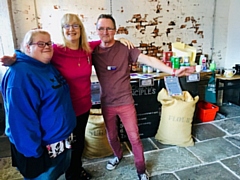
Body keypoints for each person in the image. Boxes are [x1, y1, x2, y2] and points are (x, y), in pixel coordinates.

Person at [0, 13, 133, 180]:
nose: (71, 29)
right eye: (67, 26)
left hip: (83, 108)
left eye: (75, 25)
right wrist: (16, 57)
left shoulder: (87, 48)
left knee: (76, 147)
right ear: (62, 30)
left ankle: (75, 173)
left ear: (81, 29)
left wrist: (121, 41)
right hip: (65, 109)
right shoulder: (55, 50)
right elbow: (32, 53)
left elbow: (105, 40)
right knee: (63, 150)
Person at [92, 14, 195, 180]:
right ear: (96, 30)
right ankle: (118, 156)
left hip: (125, 102)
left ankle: (141, 170)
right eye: (101, 28)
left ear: (115, 30)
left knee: (134, 137)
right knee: (111, 136)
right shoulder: (93, 51)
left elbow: (149, 60)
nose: (105, 32)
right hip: (107, 103)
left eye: (109, 28)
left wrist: (173, 71)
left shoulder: (125, 48)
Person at [0, 29, 76, 180]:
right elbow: (20, 121)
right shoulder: (20, 75)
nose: (47, 46)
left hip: (61, 143)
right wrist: (34, 154)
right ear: (28, 47)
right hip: (42, 151)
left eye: (49, 43)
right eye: (40, 44)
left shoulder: (45, 65)